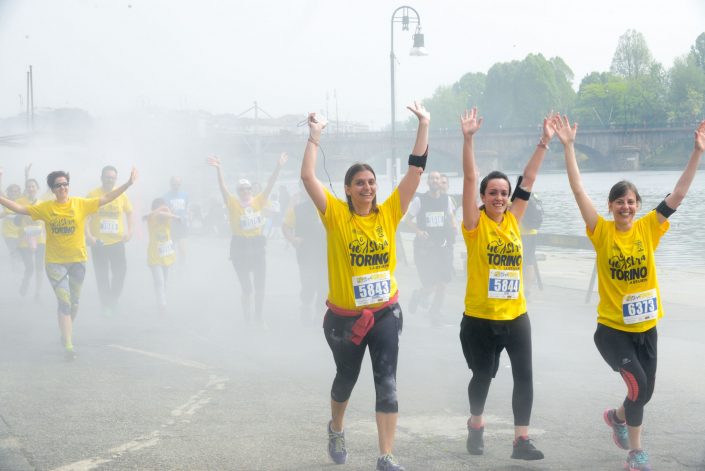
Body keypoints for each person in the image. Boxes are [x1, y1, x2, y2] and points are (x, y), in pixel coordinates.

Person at [555, 116, 705, 471]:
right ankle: (636, 454)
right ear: (610, 206)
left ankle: (617, 417)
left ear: (638, 205)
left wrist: (697, 152)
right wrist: (569, 146)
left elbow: (679, 194)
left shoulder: (649, 228)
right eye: (619, 202)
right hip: (613, 331)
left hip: (647, 329)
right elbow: (578, 190)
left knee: (645, 392)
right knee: (638, 387)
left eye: (631, 202)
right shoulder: (601, 231)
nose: (626, 207)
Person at [301, 102, 429, 471]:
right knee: (346, 378)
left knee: (386, 381)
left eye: (371, 182)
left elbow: (415, 171)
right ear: (347, 189)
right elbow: (308, 178)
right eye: (360, 182)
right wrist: (314, 136)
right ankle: (336, 428)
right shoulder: (336, 215)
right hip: (344, 320)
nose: (367, 187)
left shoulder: (389, 212)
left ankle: (386, 455)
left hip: (385, 313)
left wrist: (424, 124)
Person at [459, 107, 554, 460]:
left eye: (503, 193)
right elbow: (470, 178)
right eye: (493, 193)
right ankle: (476, 423)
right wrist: (468, 140)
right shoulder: (474, 225)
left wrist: (544, 142)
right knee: (482, 377)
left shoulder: (514, 219)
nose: (499, 197)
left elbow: (528, 179)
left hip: (515, 315)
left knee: (524, 376)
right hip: (481, 318)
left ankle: (521, 440)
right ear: (483, 198)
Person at [0, 168, 137, 360]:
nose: (62, 188)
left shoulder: (80, 204)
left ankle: (66, 331)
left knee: (74, 303)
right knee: (64, 302)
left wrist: (127, 184)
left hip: (77, 262)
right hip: (55, 263)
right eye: (58, 185)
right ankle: (69, 345)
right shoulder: (46, 208)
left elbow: (107, 198)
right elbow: (19, 209)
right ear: (53, 189)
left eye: (65, 184)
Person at [207, 153, 287, 328]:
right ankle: (247, 315)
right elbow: (222, 187)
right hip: (240, 247)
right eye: (242, 189)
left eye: (248, 189)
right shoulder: (233, 203)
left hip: (257, 246)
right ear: (238, 192)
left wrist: (278, 166)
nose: (245, 192)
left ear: (251, 190)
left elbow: (270, 184)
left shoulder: (259, 200)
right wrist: (219, 169)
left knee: (260, 286)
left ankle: (258, 317)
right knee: (247, 288)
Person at [404, 170, 456, 325]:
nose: (434, 180)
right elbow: (408, 220)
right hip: (425, 248)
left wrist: (454, 226)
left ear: (441, 181)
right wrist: (418, 231)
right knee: (431, 285)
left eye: (437, 178)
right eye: (432, 178)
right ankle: (418, 295)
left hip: (442, 247)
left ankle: (435, 312)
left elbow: (451, 216)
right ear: (427, 182)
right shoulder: (420, 200)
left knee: (443, 283)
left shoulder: (446, 199)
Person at [86, 166, 134, 316]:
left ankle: (113, 299)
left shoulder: (121, 194)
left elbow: (130, 213)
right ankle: (106, 305)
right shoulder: (93, 195)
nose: (110, 180)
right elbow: (85, 217)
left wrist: (130, 231)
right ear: (101, 178)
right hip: (98, 242)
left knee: (120, 273)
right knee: (102, 276)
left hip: (117, 242)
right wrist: (89, 236)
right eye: (107, 177)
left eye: (113, 178)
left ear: (116, 179)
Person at [281, 186, 327, 325]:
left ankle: (320, 314)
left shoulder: (329, 206)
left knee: (324, 283)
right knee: (308, 282)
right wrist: (292, 239)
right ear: (303, 192)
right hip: (306, 251)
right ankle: (306, 307)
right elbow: (285, 226)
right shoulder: (298, 209)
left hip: (325, 251)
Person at [144, 198, 178, 313]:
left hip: (166, 256)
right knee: (159, 281)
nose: (162, 212)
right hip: (154, 256)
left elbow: (169, 212)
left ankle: (161, 298)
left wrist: (165, 209)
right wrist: (159, 210)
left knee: (164, 281)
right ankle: (162, 304)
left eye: (163, 209)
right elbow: (154, 214)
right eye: (159, 209)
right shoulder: (151, 220)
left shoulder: (167, 220)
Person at [16, 177, 46, 299]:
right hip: (24, 239)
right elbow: (16, 221)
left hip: (40, 239)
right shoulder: (20, 201)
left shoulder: (42, 203)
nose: (31, 188)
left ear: (37, 188)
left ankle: (37, 293)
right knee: (30, 267)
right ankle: (26, 281)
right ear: (26, 189)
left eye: (33, 186)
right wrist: (21, 214)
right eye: (28, 186)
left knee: (39, 267)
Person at [519, 192, 544, 298]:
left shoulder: (516, 198)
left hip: (520, 234)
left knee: (519, 263)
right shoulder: (534, 196)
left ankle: (520, 290)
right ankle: (527, 291)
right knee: (529, 262)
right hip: (532, 233)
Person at [163, 176, 190, 263]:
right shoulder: (165, 197)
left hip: (182, 225)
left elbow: (187, 207)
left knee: (183, 251)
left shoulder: (185, 195)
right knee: (171, 250)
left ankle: (181, 267)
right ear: (170, 184)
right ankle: (170, 266)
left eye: (178, 184)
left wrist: (188, 215)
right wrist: (169, 212)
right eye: (174, 184)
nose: (176, 186)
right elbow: (163, 212)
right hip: (171, 226)